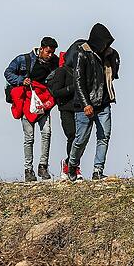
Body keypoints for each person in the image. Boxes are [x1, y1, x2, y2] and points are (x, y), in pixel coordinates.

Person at [65, 23, 120, 181]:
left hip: (103, 103)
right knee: (81, 139)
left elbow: (113, 74)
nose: (106, 46)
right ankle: (72, 165)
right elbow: (78, 81)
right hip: (85, 105)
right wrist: (85, 104)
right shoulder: (81, 53)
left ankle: (98, 170)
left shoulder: (109, 54)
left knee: (104, 136)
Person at [5, 37, 60, 181]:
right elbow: (8, 72)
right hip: (27, 104)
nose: (50, 55)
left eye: (52, 52)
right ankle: (28, 170)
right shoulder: (23, 60)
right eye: (48, 52)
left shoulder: (54, 62)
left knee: (46, 133)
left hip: (44, 103)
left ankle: (43, 167)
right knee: (29, 138)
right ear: (41, 49)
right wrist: (21, 81)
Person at [47, 51, 81, 181]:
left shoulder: (79, 71)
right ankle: (71, 166)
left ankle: (70, 163)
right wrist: (74, 87)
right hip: (66, 109)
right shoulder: (61, 72)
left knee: (79, 139)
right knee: (72, 136)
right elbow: (56, 92)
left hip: (79, 109)